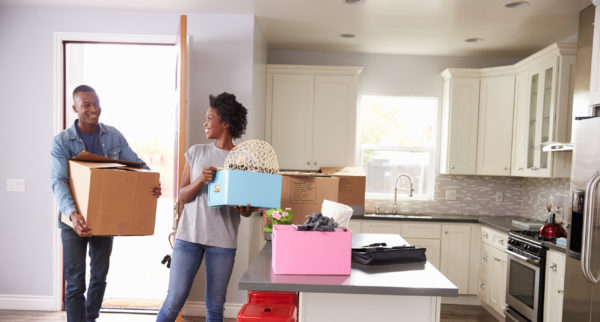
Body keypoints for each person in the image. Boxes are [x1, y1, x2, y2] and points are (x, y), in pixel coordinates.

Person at [51, 85, 161, 322]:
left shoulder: (113, 136)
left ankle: (90, 319)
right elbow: (58, 182)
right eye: (86, 105)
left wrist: (150, 182)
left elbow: (137, 165)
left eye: (96, 103)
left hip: (104, 217)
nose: (94, 109)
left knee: (99, 276)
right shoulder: (61, 141)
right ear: (75, 108)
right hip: (73, 221)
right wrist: (72, 214)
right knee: (75, 282)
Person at [156, 92, 256, 322]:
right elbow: (182, 196)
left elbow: (246, 210)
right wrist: (200, 180)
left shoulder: (244, 160)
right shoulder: (197, 152)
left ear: (225, 123)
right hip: (188, 237)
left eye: (210, 118)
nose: (205, 123)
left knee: (215, 306)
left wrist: (245, 209)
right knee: (173, 301)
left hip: (222, 241)